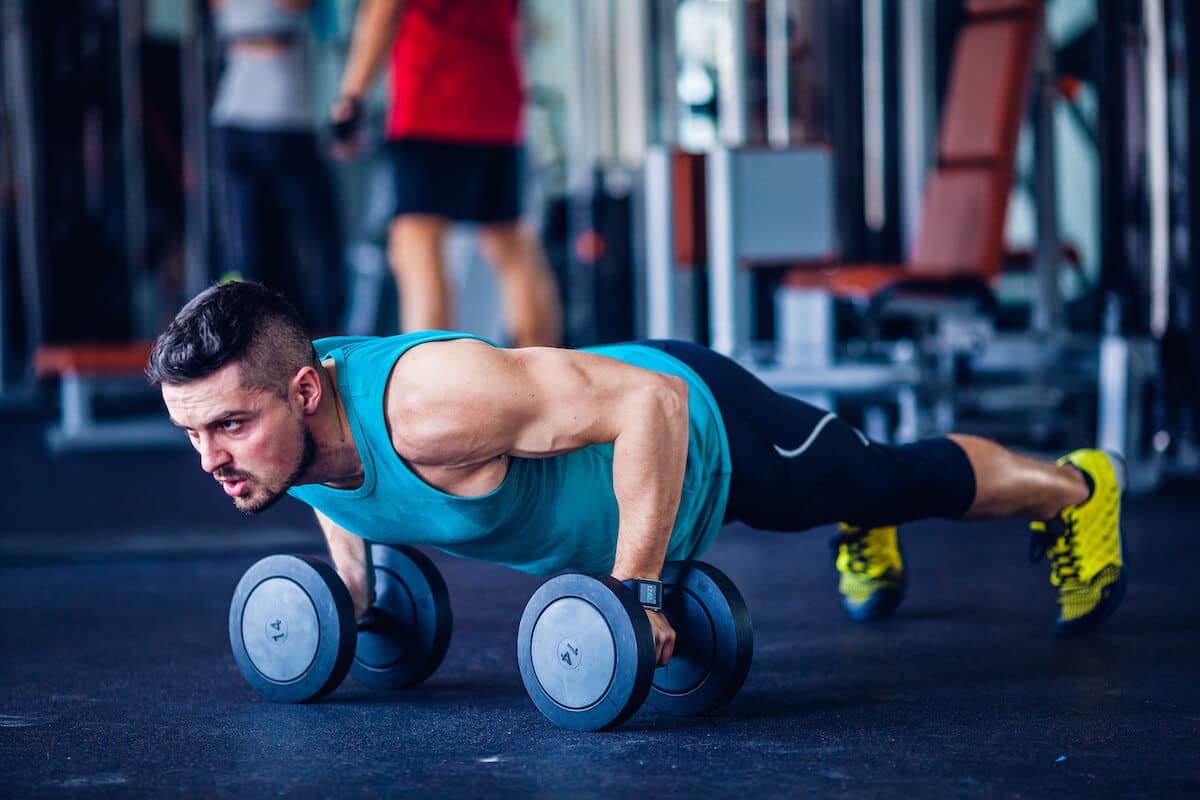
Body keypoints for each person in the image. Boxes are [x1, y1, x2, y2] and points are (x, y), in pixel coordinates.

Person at [148, 282, 1128, 667]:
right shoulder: (284, 447)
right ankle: (860, 520)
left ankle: (1079, 487)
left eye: (227, 425)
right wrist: (355, 593)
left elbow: (646, 409)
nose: (211, 461)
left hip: (692, 419)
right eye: (192, 434)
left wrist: (640, 591)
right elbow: (334, 484)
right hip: (604, 421)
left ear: (309, 391)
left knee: (879, 479)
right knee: (857, 490)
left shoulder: (431, 403)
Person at [328, 0, 561, 346]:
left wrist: (352, 97)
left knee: (416, 242)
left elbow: (382, 10)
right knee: (511, 242)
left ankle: (432, 383)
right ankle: (548, 373)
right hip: (497, 101)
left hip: (431, 101)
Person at [210, 0, 345, 333]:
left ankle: (305, 335)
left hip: (265, 117)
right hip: (269, 120)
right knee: (258, 246)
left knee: (296, 243)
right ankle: (256, 336)